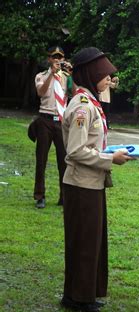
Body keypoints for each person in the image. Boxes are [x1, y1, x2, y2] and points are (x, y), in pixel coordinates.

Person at [60, 47, 132, 312]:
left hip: (90, 183)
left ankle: (82, 293)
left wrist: (109, 152)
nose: (107, 81)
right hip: (81, 184)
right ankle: (77, 298)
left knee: (91, 241)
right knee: (84, 242)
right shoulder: (82, 107)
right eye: (103, 76)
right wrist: (110, 159)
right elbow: (76, 151)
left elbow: (90, 145)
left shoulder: (90, 103)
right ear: (90, 75)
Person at [31, 46, 68, 209]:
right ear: (49, 59)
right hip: (45, 120)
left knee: (64, 160)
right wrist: (51, 76)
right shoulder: (41, 75)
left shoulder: (66, 77)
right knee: (41, 160)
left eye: (60, 57)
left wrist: (72, 74)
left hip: (60, 121)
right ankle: (40, 196)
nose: (57, 60)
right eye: (54, 57)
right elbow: (41, 92)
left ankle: (64, 196)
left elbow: (74, 91)